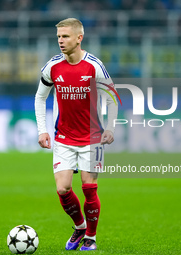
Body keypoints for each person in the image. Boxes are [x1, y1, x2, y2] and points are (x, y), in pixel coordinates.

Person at [35, 18, 117, 251]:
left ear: (79, 38)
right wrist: (43, 130)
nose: (60, 41)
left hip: (92, 137)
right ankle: (79, 226)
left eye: (66, 36)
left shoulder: (94, 66)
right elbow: (40, 97)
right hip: (64, 138)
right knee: (62, 189)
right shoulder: (52, 66)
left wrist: (110, 127)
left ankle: (91, 236)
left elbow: (111, 97)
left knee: (89, 188)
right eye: (59, 36)